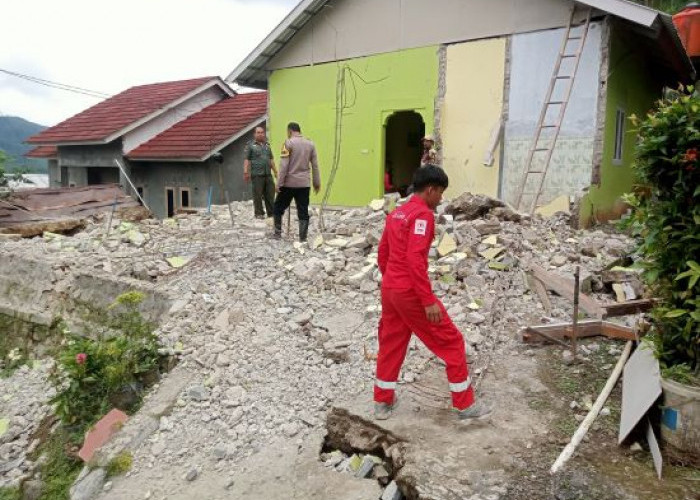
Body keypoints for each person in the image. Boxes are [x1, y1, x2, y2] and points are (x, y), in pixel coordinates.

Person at [374, 165, 491, 421]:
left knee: (391, 343)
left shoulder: (396, 214)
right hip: (409, 292)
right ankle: (465, 405)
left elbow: (383, 253)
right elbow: (415, 259)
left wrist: (390, 281)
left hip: (391, 290)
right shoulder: (422, 216)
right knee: (451, 342)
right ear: (431, 189)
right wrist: (427, 301)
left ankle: (382, 403)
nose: (441, 199)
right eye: (440, 194)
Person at [274, 122, 321, 242]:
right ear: (299, 131)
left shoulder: (288, 143)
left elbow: (284, 166)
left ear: (289, 131)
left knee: (278, 207)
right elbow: (315, 165)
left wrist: (278, 183)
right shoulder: (310, 144)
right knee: (303, 210)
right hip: (304, 184)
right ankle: (303, 238)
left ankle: (277, 233)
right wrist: (316, 183)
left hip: (289, 184)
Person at [244, 126, 277, 219]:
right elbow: (247, 160)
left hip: (268, 174)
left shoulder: (267, 145)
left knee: (270, 194)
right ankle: (259, 214)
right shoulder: (250, 145)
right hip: (257, 175)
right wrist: (245, 172)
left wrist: (275, 171)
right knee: (257, 195)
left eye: (262, 132)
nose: (260, 134)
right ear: (254, 134)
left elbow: (271, 159)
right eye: (258, 132)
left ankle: (271, 213)